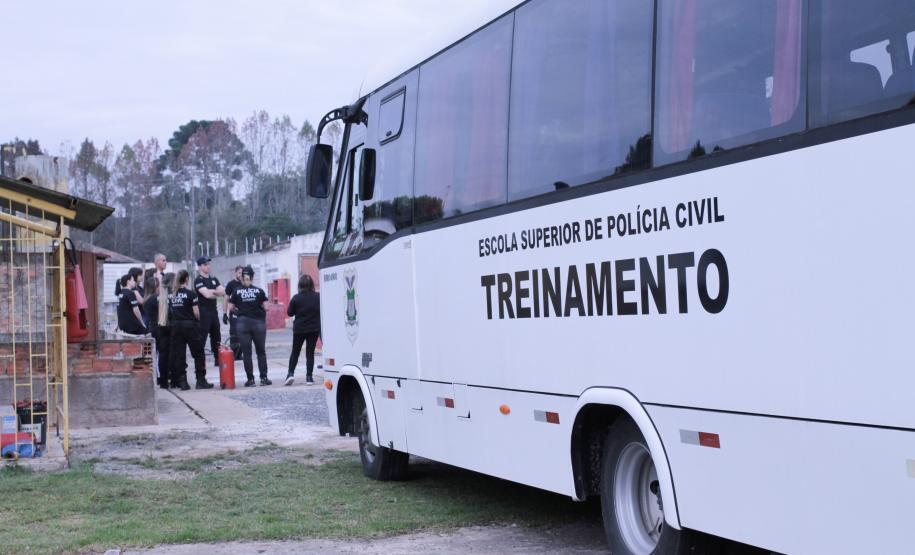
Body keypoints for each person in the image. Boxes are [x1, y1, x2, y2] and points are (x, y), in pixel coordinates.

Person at [228, 266, 271, 387]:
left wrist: (239, 311)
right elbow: (266, 307)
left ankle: (250, 380)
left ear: (242, 277)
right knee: (261, 351)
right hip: (258, 323)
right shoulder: (259, 291)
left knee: (247, 353)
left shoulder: (236, 291)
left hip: (242, 324)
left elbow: (231, 308)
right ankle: (264, 378)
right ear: (253, 277)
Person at [168, 270, 211, 390]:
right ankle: (200, 380)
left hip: (176, 327)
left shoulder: (171, 295)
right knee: (198, 353)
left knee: (179, 355)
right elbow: (196, 312)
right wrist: (197, 321)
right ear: (186, 279)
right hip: (190, 326)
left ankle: (183, 382)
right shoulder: (191, 294)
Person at [285, 274, 321, 386]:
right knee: (310, 353)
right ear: (312, 285)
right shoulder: (318, 296)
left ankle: (290, 374)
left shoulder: (296, 298)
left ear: (300, 285)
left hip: (299, 329)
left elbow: (289, 313)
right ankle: (309, 377)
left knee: (295, 352)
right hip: (314, 329)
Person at [194, 256, 224, 374]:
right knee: (202, 338)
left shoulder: (214, 279)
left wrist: (214, 292)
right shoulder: (199, 280)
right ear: (200, 266)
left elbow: (223, 291)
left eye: (208, 264)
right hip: (203, 312)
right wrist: (216, 292)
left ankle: (218, 359)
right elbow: (206, 294)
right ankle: (200, 362)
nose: (208, 266)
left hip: (213, 311)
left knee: (216, 336)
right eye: (205, 264)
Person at [144, 274, 172, 389]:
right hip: (162, 328)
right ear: (156, 286)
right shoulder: (159, 298)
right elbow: (166, 314)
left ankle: (155, 378)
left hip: (152, 328)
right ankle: (163, 381)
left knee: (154, 355)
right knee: (163, 355)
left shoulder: (146, 300)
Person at [223, 265, 244, 359]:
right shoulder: (231, 284)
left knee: (243, 334)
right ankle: (234, 355)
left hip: (243, 313)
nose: (240, 275)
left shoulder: (244, 283)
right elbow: (226, 299)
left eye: (242, 273)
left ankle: (240, 354)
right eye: (239, 273)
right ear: (235, 273)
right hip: (234, 313)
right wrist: (224, 313)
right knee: (234, 334)